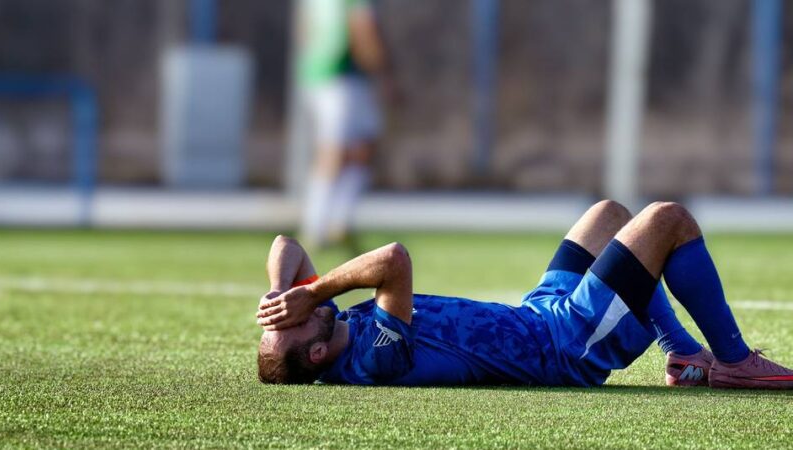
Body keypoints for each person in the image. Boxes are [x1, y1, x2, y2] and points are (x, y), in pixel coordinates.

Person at [256, 200, 793, 388]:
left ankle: (680, 353)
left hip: (540, 313)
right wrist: (316, 290)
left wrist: (283, 290)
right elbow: (394, 260)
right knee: (667, 219)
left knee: (609, 213)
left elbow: (287, 244)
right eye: (289, 323)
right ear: (317, 353)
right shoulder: (374, 358)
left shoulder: (331, 323)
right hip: (563, 347)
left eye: (278, 315)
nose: (292, 311)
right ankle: (733, 362)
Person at [296, 0, 397, 249]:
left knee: (363, 146)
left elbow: (305, 28)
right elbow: (363, 28)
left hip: (323, 73)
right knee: (333, 150)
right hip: (341, 75)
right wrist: (385, 75)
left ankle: (339, 223)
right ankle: (315, 227)